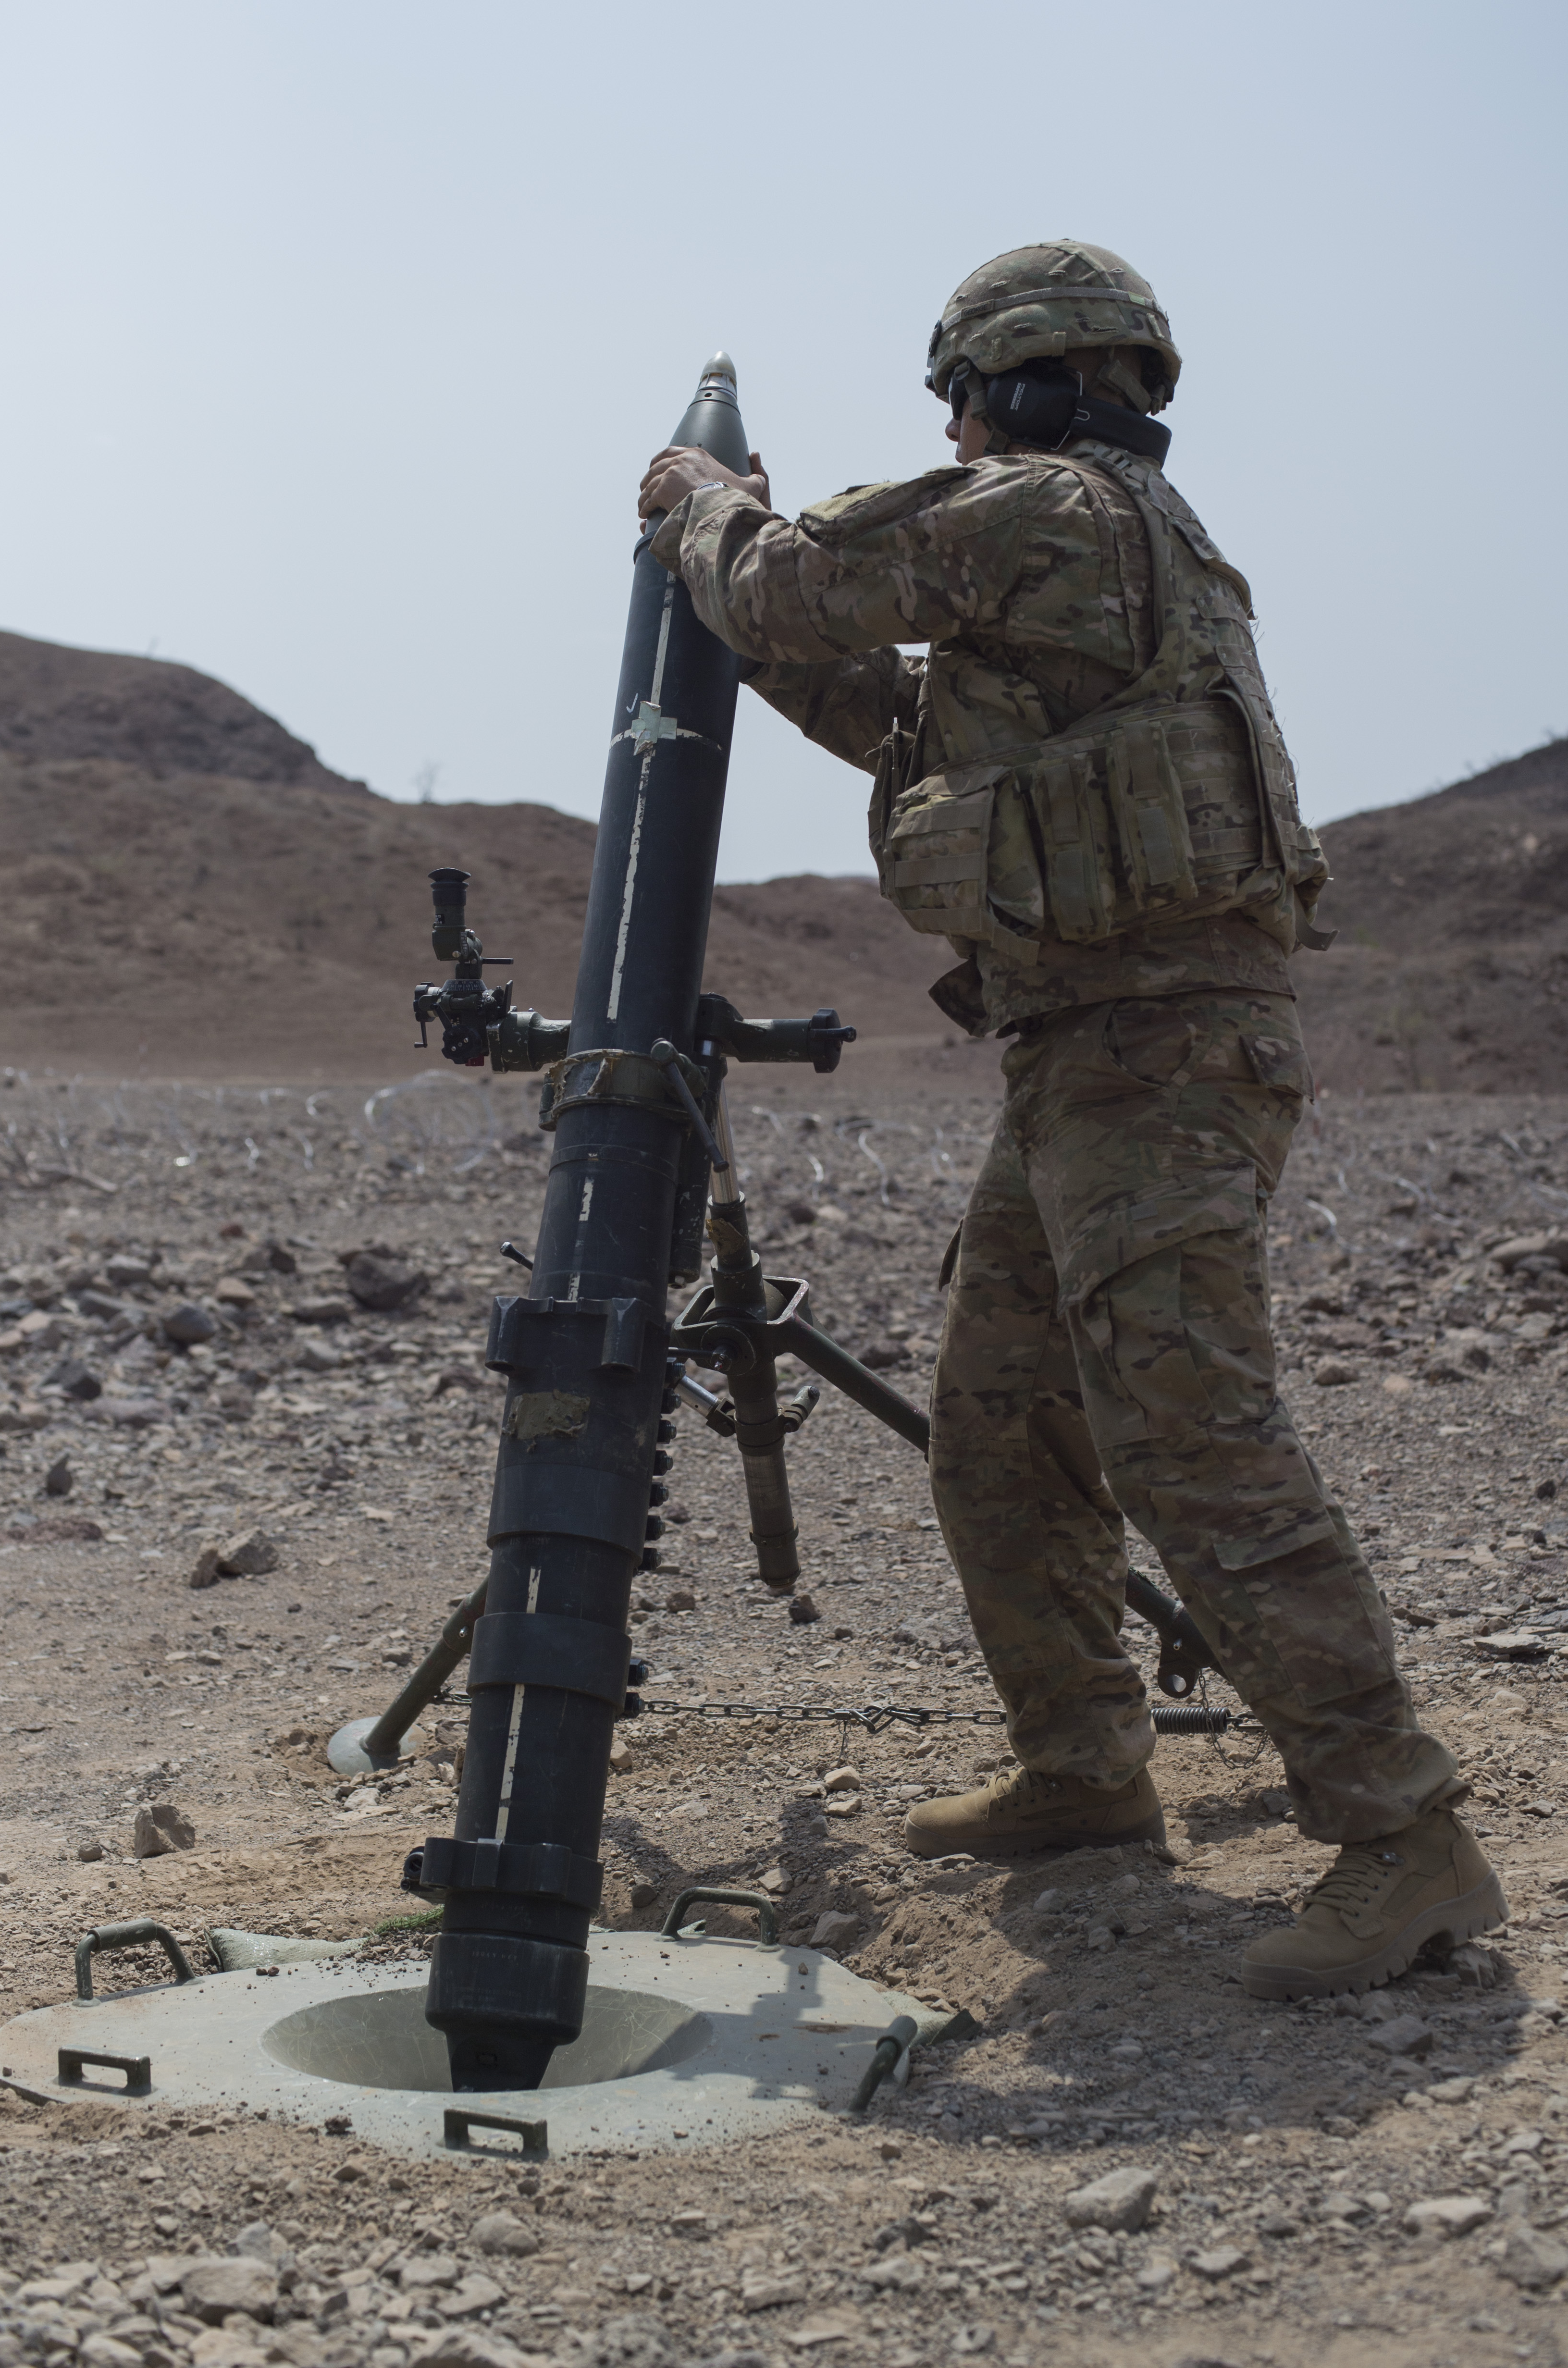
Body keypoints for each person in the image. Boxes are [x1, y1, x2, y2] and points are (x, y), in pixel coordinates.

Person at [637, 241, 1503, 1998]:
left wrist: (697, 510)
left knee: (1194, 1442)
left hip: (1160, 1056)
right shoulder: (1104, 552)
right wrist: (748, 587)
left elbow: (802, 586)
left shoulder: (1052, 508)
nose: (953, 428)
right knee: (999, 1423)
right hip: (1088, 1052)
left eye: (963, 396)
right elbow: (883, 709)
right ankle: (1089, 1770)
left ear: (1020, 385)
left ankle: (1406, 1840)